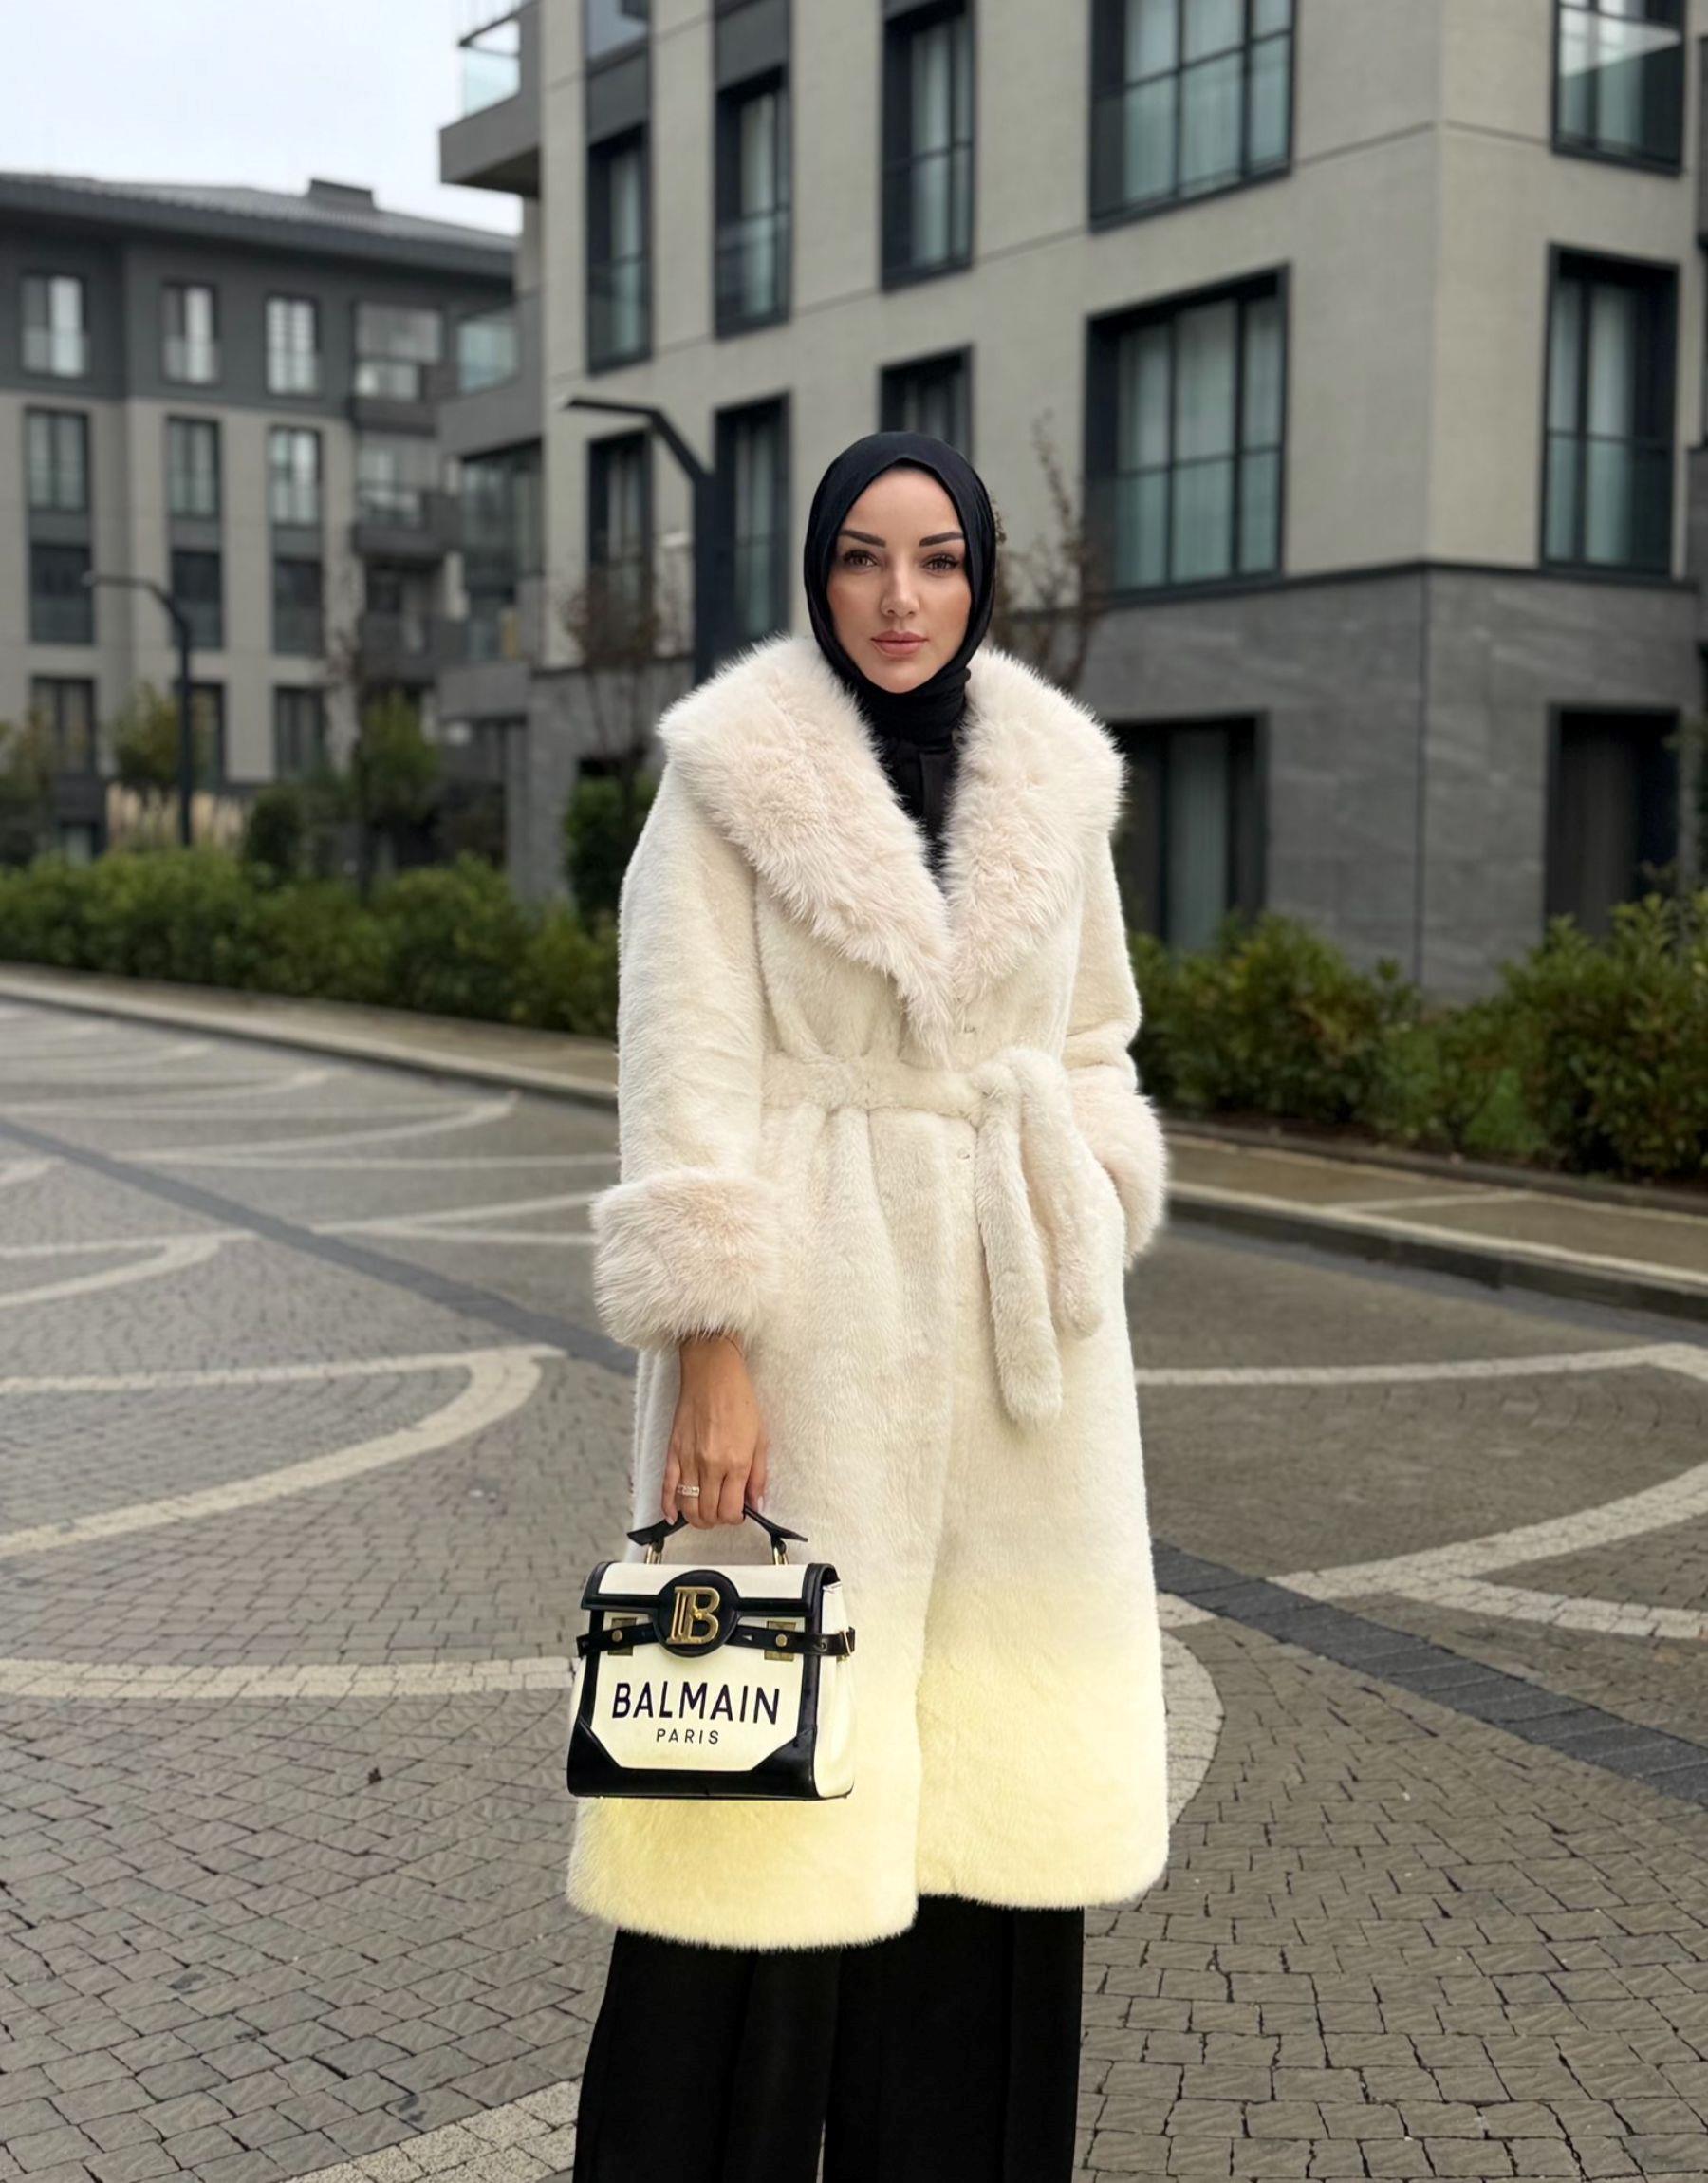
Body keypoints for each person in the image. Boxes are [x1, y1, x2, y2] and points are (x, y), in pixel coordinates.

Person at [568, 430, 1172, 2181]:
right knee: (754, 1804)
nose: (899, 598)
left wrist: (1086, 1191)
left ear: (982, 576)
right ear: (816, 574)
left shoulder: (1054, 778)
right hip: (810, 1325)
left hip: (1018, 1356)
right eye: (860, 556)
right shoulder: (728, 779)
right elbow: (680, 1075)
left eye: (937, 560)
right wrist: (711, 1351)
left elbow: (1096, 1032)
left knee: (993, 1830)